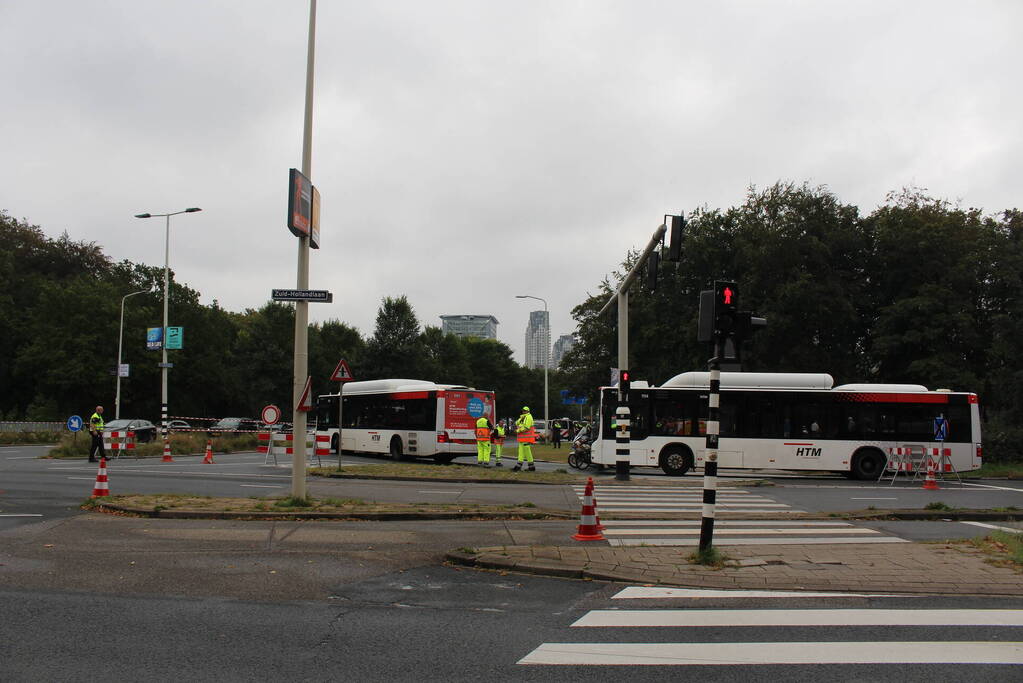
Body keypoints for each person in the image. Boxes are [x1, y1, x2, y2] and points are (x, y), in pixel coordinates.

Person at [513, 406, 536, 472]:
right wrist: (519, 420)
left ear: (528, 411)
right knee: (521, 453)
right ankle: (519, 466)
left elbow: (526, 427)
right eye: (523, 410)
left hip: (527, 439)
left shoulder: (528, 417)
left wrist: (517, 431)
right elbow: (516, 423)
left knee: (527, 452)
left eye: (525, 410)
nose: (523, 411)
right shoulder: (523, 417)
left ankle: (530, 467)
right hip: (522, 439)